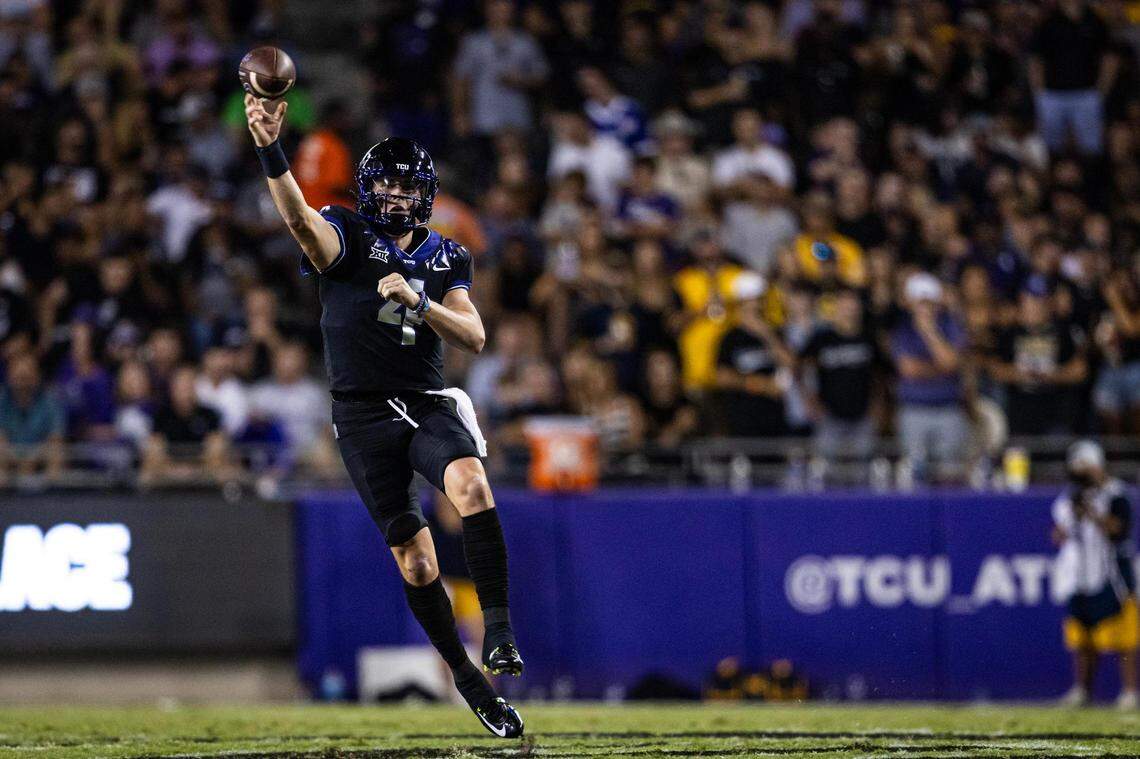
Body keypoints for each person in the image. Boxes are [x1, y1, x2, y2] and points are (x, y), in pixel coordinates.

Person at [243, 94, 523, 737]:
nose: (396, 198)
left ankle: (501, 633)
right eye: (387, 187)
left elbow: (474, 336)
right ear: (369, 192)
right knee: (417, 562)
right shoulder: (344, 232)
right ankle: (467, 676)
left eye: (407, 188)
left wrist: (420, 304)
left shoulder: (447, 255)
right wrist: (269, 147)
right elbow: (297, 220)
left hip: (425, 401)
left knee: (472, 484)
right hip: (362, 414)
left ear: (425, 195)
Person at [1052, 440, 1137, 709]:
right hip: (1080, 573)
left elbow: (1119, 530)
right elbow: (1058, 535)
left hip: (1111, 571)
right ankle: (1082, 690)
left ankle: (1130, 691)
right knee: (1083, 635)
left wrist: (1093, 513)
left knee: (1123, 636)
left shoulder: (1115, 494)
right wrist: (1076, 515)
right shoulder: (1069, 498)